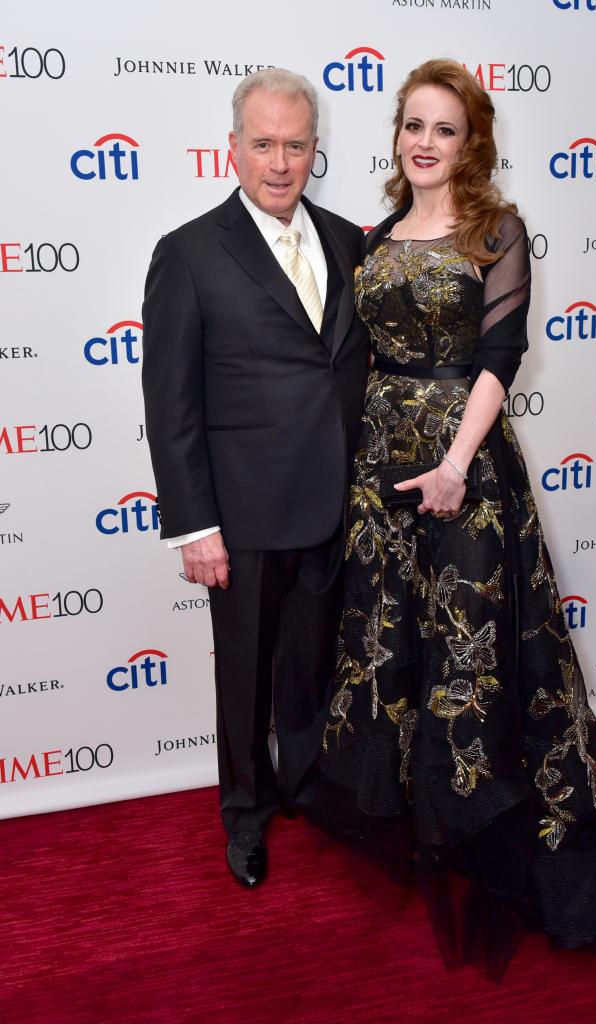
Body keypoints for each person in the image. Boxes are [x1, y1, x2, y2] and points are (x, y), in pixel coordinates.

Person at [314, 59, 596, 950]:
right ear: (395, 136)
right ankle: (417, 813)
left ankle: (494, 828)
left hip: (460, 473)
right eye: (412, 125)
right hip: (377, 468)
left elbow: (497, 359)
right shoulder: (378, 232)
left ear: (470, 144)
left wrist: (456, 466)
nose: (423, 143)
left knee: (476, 653)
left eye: (444, 129)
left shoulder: (494, 230)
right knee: (392, 642)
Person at [141, 69, 368, 888]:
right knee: (243, 673)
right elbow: (171, 404)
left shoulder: (349, 240)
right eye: (263, 144)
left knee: (311, 662)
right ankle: (245, 810)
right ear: (232, 148)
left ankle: (306, 782)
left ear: (316, 149)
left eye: (296, 145)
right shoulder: (189, 253)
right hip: (241, 515)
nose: (280, 163)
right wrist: (194, 526)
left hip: (336, 503)